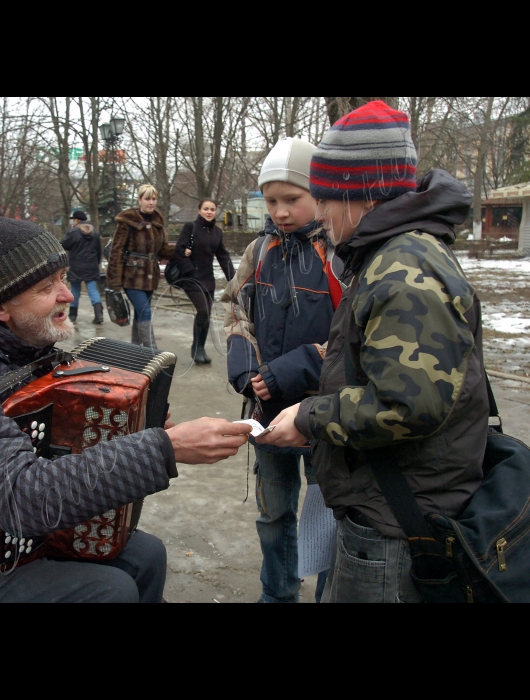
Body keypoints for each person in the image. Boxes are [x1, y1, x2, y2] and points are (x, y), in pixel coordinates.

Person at [0, 215, 251, 603]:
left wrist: (131, 427)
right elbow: (23, 497)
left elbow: (53, 442)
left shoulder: (21, 348)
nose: (68, 295)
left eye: (63, 278)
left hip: (12, 541)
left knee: (146, 556)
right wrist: (162, 450)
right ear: (2, 306)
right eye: (46, 287)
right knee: (111, 591)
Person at [257, 100, 485, 604]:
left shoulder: (405, 267)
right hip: (388, 502)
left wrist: (312, 416)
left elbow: (407, 404)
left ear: (358, 196)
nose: (321, 213)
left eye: (324, 198)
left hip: (398, 517)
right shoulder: (392, 255)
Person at [222, 137, 338, 604]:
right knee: (273, 516)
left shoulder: (340, 255)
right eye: (272, 201)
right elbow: (235, 308)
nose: (281, 211)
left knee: (328, 516)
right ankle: (278, 593)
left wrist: (298, 366)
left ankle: (331, 595)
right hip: (266, 411)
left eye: (293, 199)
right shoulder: (260, 249)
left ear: (320, 195)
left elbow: (359, 336)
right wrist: (242, 363)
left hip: (325, 416)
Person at [106, 184, 174, 351]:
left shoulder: (158, 222)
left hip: (150, 277)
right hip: (132, 276)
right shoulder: (128, 222)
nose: (151, 203)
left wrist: (181, 250)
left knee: (140, 313)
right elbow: (116, 251)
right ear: (139, 200)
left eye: (154, 199)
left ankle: (135, 349)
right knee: (145, 312)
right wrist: (114, 281)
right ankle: (152, 351)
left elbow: (162, 249)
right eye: (147, 199)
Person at [172, 199, 235, 364]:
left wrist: (233, 279)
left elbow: (223, 256)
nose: (209, 212)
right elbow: (178, 251)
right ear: (199, 210)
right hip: (192, 278)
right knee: (203, 311)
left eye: (212, 209)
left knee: (206, 314)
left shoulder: (217, 232)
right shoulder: (190, 227)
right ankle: (197, 348)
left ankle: (199, 347)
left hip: (208, 279)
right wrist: (189, 270)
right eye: (206, 209)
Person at [61, 210, 103, 325]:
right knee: (93, 290)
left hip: (76, 265)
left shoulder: (74, 232)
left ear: (77, 220)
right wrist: (97, 263)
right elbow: (99, 250)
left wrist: (70, 232)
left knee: (75, 290)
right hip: (92, 265)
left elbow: (63, 244)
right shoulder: (94, 232)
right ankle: (99, 315)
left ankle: (73, 316)